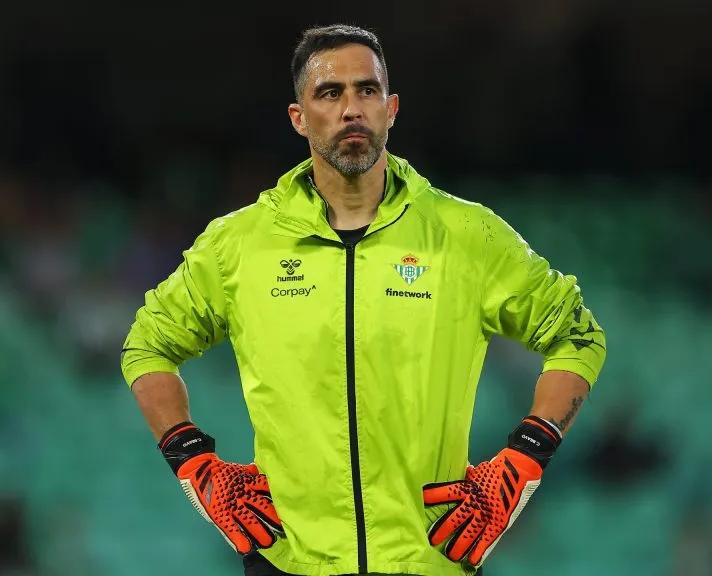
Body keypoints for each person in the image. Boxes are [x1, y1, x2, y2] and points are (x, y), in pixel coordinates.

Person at [120, 24, 607, 576]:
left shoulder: (467, 236)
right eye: (330, 93)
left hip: (429, 561)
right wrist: (194, 461)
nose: (352, 108)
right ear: (298, 118)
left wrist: (524, 459)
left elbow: (577, 337)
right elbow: (147, 347)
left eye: (367, 90)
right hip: (289, 563)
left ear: (391, 108)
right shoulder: (239, 245)